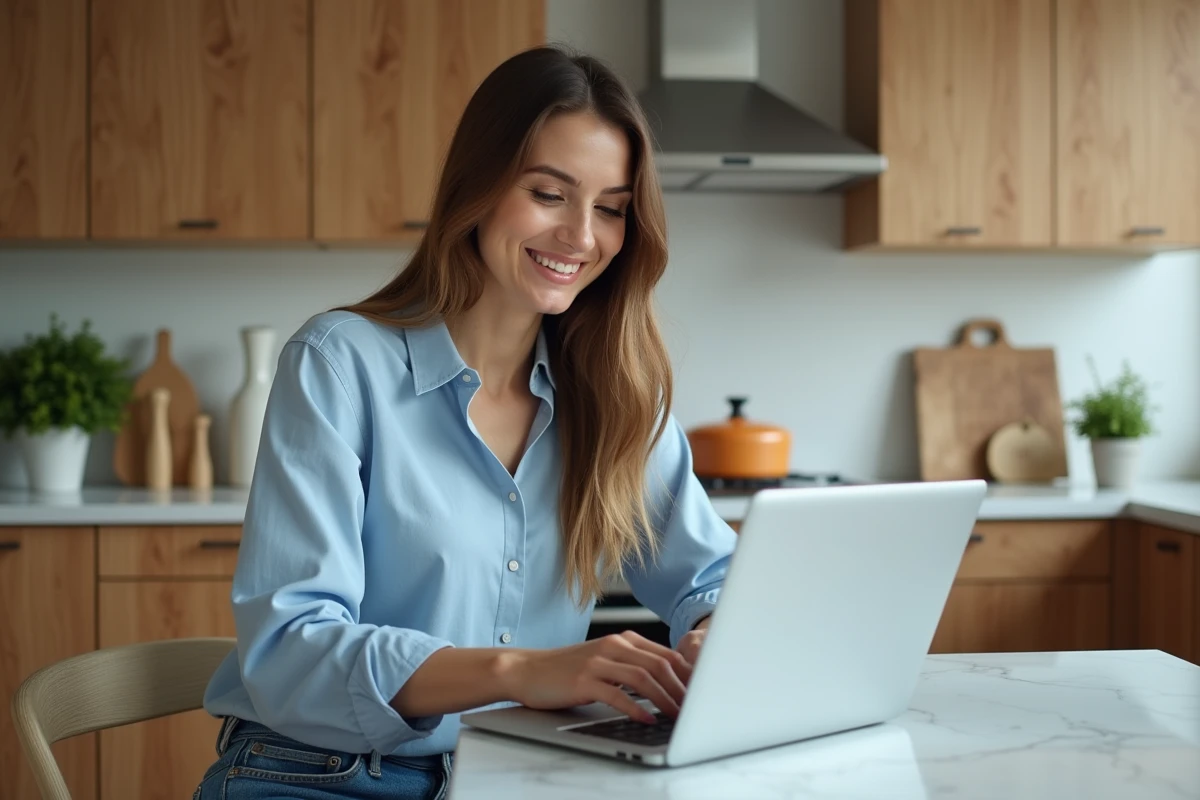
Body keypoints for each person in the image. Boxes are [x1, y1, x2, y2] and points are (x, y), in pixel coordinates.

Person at [194, 45, 737, 800]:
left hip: (518, 775)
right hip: (320, 774)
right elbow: (290, 651)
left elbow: (714, 577)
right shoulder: (340, 363)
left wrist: (716, 636)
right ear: (476, 188)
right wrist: (521, 672)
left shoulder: (619, 397)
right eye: (549, 194)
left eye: (611, 208)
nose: (582, 236)